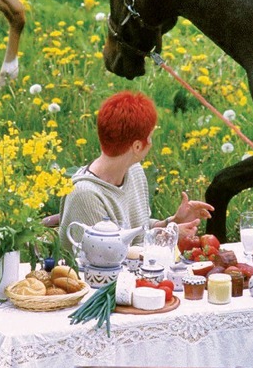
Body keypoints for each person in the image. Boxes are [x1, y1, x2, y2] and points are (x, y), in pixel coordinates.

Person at [58, 91, 213, 266]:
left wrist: (172, 222)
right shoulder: (85, 195)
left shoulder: (134, 171)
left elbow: (139, 232)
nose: (152, 143)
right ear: (137, 146)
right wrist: (171, 237)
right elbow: (106, 260)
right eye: (150, 137)